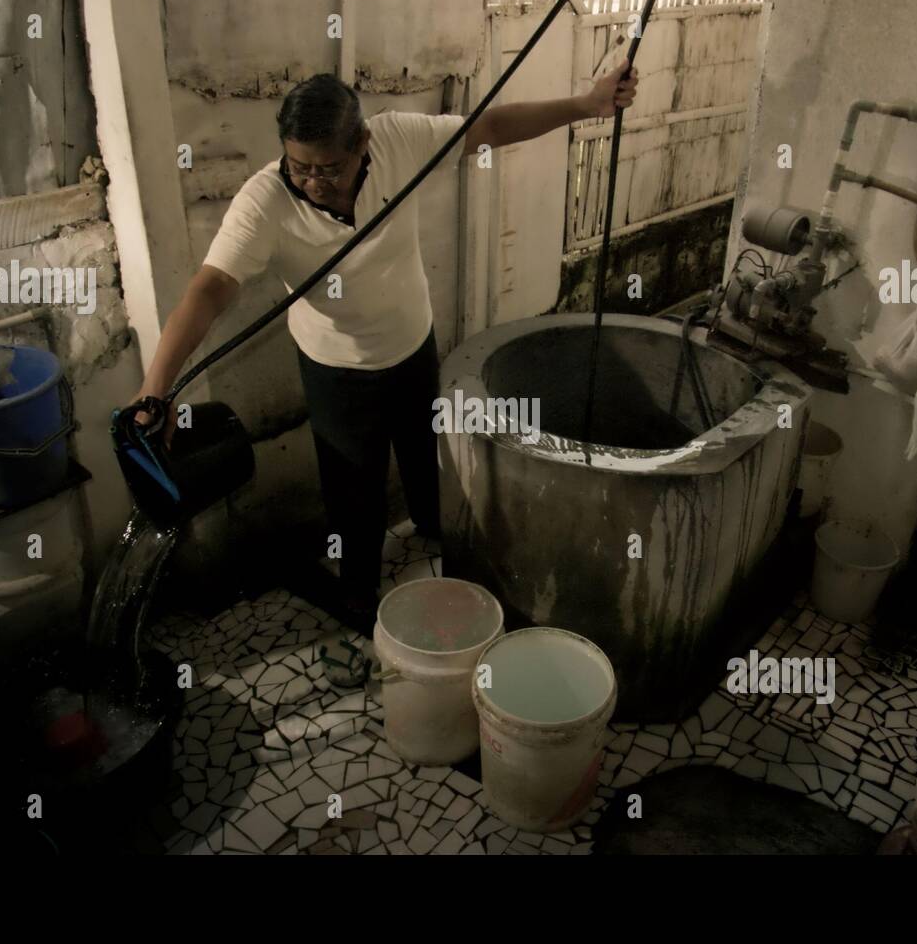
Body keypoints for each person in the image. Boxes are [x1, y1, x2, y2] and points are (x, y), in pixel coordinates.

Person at [130, 63, 639, 634]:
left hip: (413, 346)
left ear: (363, 143)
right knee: (354, 497)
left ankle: (437, 537)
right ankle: (358, 591)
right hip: (335, 371)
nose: (314, 182)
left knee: (429, 467)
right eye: (300, 168)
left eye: (330, 168)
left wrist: (586, 104)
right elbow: (210, 288)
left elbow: (490, 126)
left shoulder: (399, 138)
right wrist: (156, 389)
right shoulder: (265, 201)